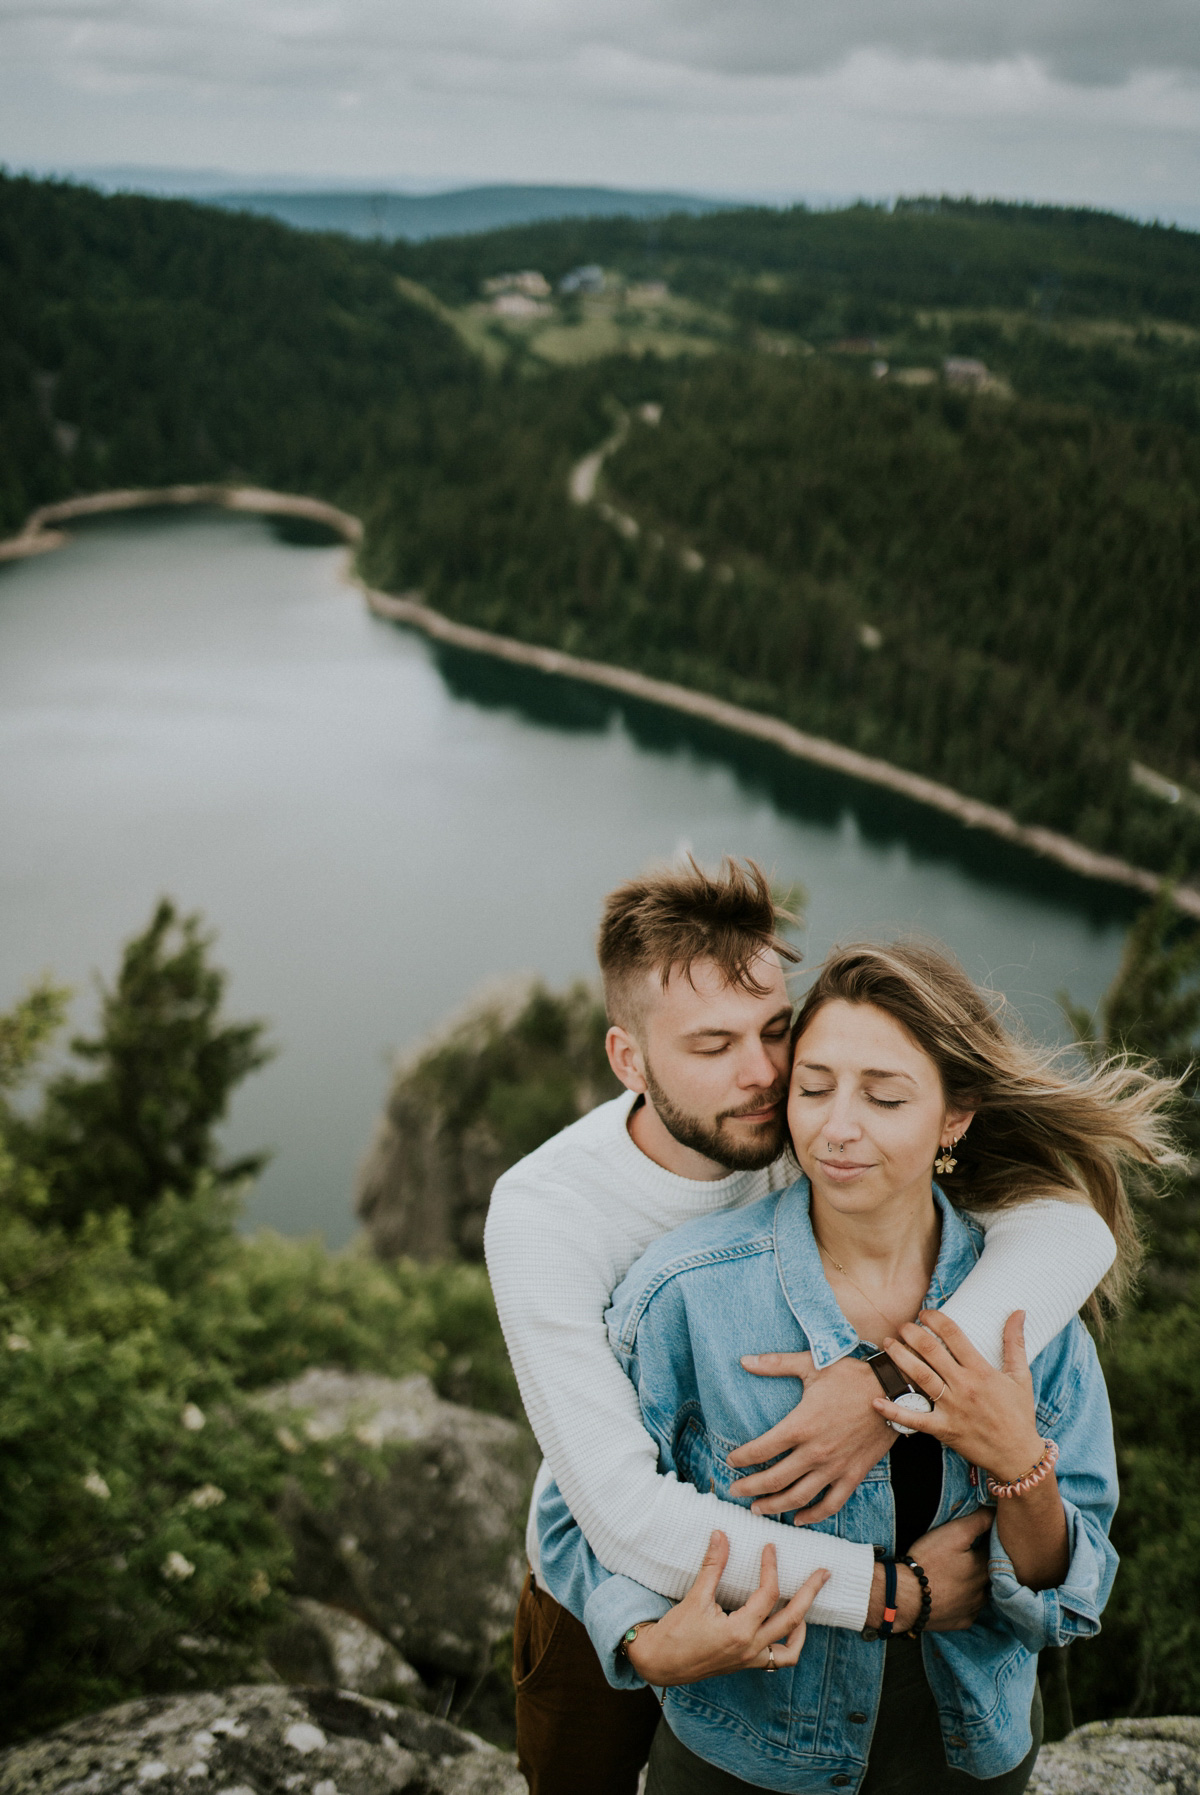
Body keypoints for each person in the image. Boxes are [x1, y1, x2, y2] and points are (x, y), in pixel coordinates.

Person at [483, 864, 1119, 1794]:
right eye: (710, 1045)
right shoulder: (548, 1212)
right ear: (629, 1060)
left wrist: (882, 1386)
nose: (762, 1074)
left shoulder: (819, 1124)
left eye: (775, 1031)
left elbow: (1069, 1232)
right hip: (604, 1584)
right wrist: (896, 1595)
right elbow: (614, 1508)